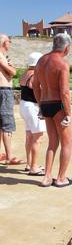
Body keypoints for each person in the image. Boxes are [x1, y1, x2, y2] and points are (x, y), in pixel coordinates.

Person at [33, 33, 72, 187]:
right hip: (58, 106)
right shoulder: (62, 64)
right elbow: (64, 92)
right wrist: (68, 114)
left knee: (52, 142)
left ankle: (47, 178)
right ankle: (61, 178)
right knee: (67, 143)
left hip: (45, 104)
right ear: (67, 47)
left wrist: (40, 105)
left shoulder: (40, 61)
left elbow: (35, 86)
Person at [19, 52, 46, 175]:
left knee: (30, 136)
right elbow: (37, 89)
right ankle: (34, 167)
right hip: (32, 107)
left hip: (24, 106)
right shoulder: (35, 75)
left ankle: (29, 164)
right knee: (38, 137)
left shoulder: (24, 74)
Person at [0, 34, 21, 165]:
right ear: (3, 42)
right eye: (9, 41)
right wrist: (11, 67)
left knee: (1, 125)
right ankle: (9, 156)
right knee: (7, 124)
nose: (10, 43)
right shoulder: (0, 56)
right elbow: (13, 72)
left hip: (3, 90)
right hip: (4, 91)